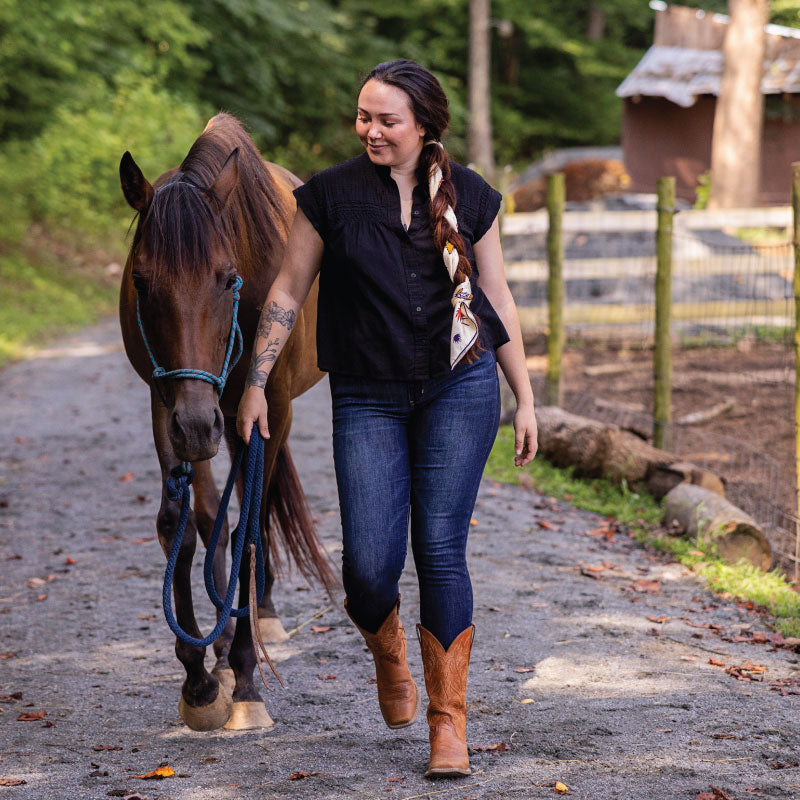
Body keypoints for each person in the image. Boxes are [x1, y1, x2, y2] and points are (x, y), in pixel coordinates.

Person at [237, 59, 537, 778]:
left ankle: (448, 723)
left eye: (385, 119)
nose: (369, 129)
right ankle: (389, 652)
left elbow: (496, 299)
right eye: (363, 116)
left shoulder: (471, 196)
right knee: (369, 569)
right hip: (367, 395)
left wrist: (524, 396)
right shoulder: (327, 198)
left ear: (423, 124)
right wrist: (255, 381)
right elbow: (285, 289)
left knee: (439, 551)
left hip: (459, 390)